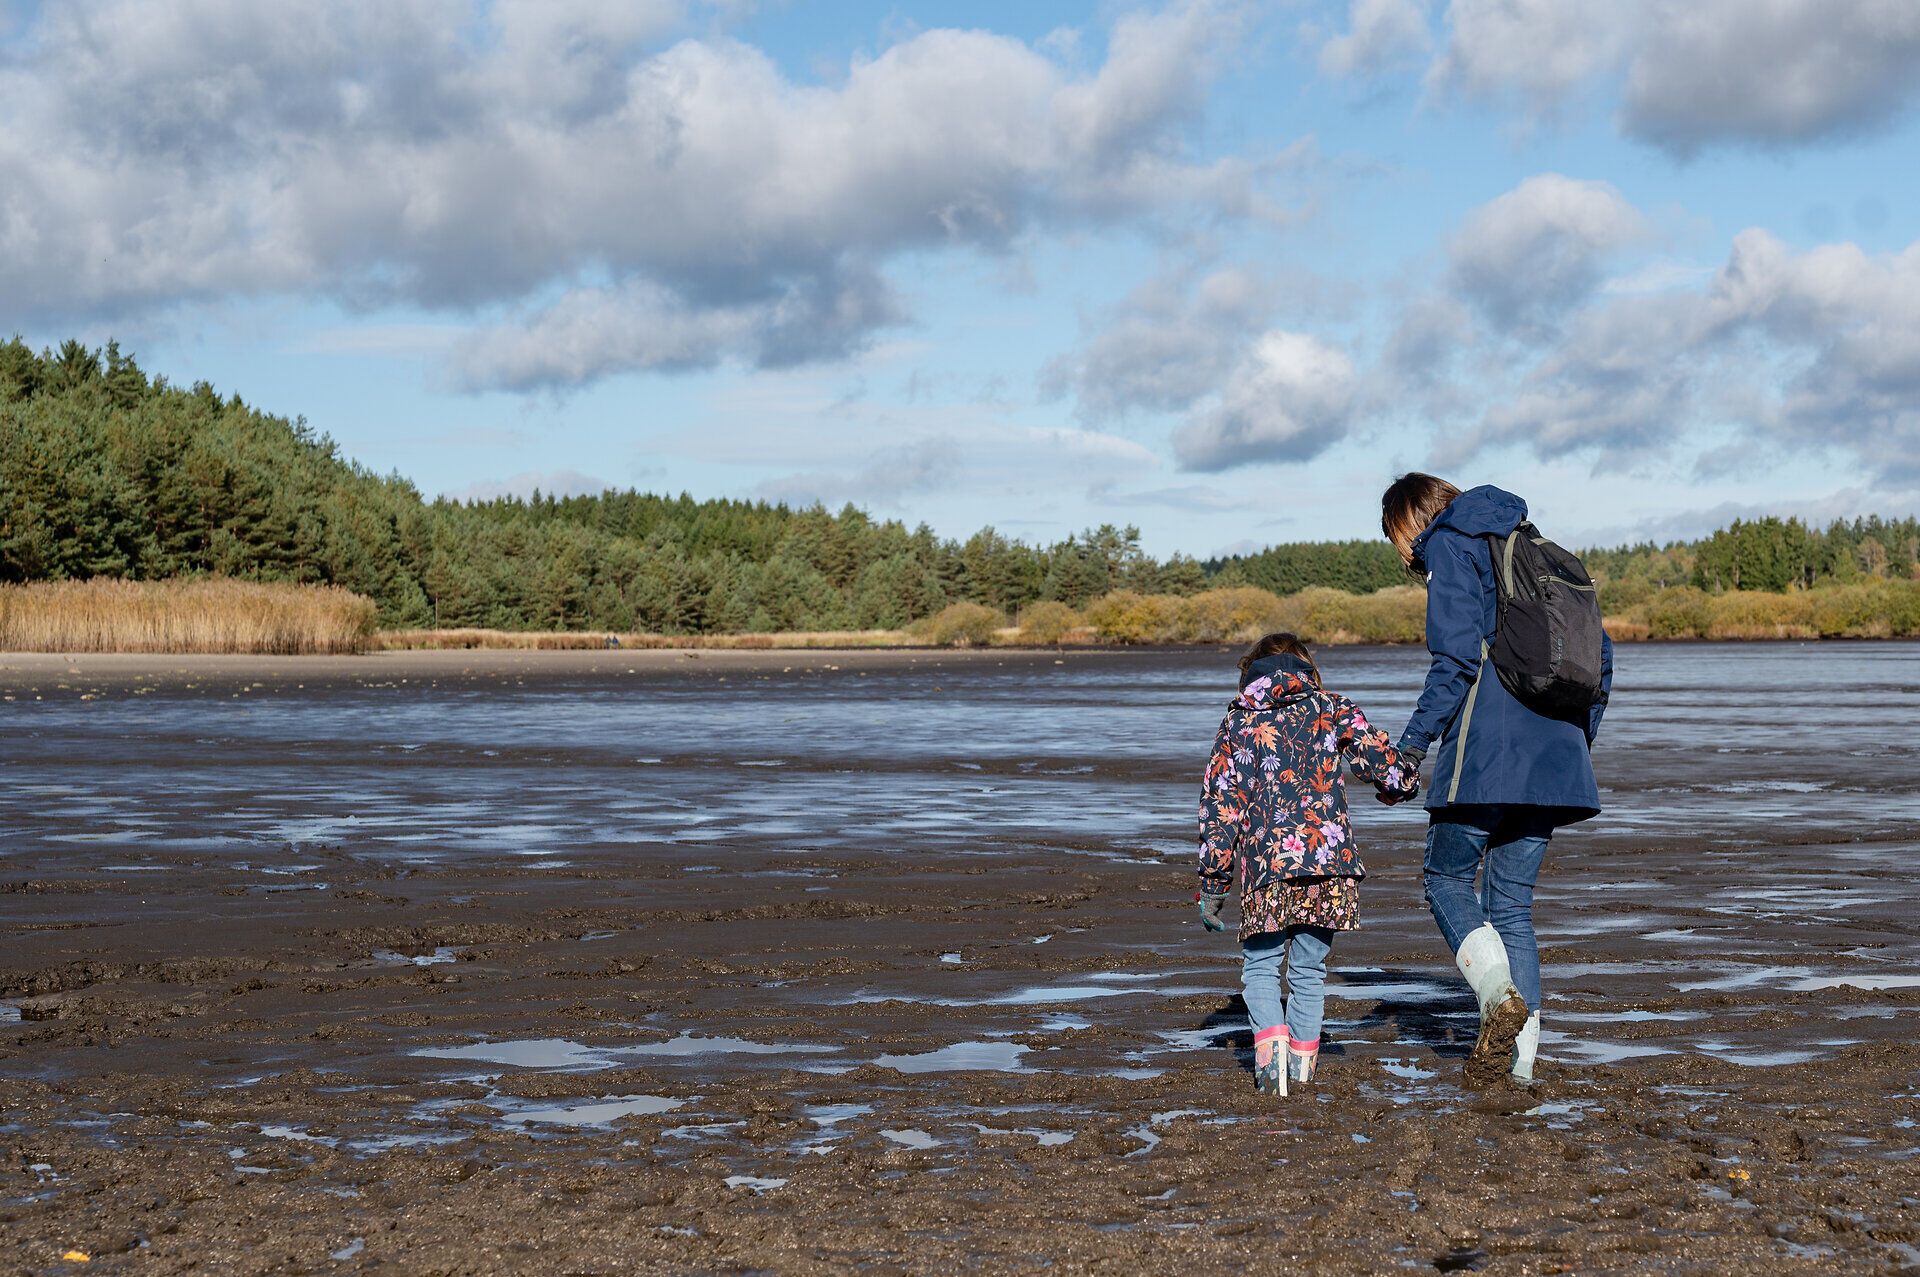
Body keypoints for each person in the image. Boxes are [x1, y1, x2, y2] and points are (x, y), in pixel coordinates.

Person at [1380, 474, 1614, 1087]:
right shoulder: (1541, 548)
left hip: (1487, 752)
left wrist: (1410, 748)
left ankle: (1496, 1000)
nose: (1404, 554)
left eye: (1396, 538)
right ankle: (1521, 1072)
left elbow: (1455, 661)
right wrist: (1573, 744)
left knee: (1445, 878)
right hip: (1557, 756)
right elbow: (1602, 662)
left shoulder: (1450, 544)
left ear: (1411, 522)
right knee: (1512, 906)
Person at [1197, 632, 1417, 1096]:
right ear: (1306, 667)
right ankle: (1300, 1073)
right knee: (1309, 970)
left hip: (1268, 867)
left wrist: (1214, 882)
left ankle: (1272, 1074)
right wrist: (1402, 783)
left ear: (1250, 671)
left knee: (1260, 967)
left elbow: (1220, 806)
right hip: (1328, 862)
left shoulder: (1237, 721)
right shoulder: (1331, 706)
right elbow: (1383, 765)